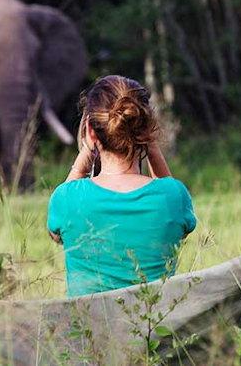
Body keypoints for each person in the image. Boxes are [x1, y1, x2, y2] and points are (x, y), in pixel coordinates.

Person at [46, 75, 197, 297]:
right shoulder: (173, 196)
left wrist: (84, 156)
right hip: (155, 329)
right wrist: (152, 147)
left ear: (90, 132)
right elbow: (170, 193)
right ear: (147, 129)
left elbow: (55, 234)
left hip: (89, 330)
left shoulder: (66, 198)